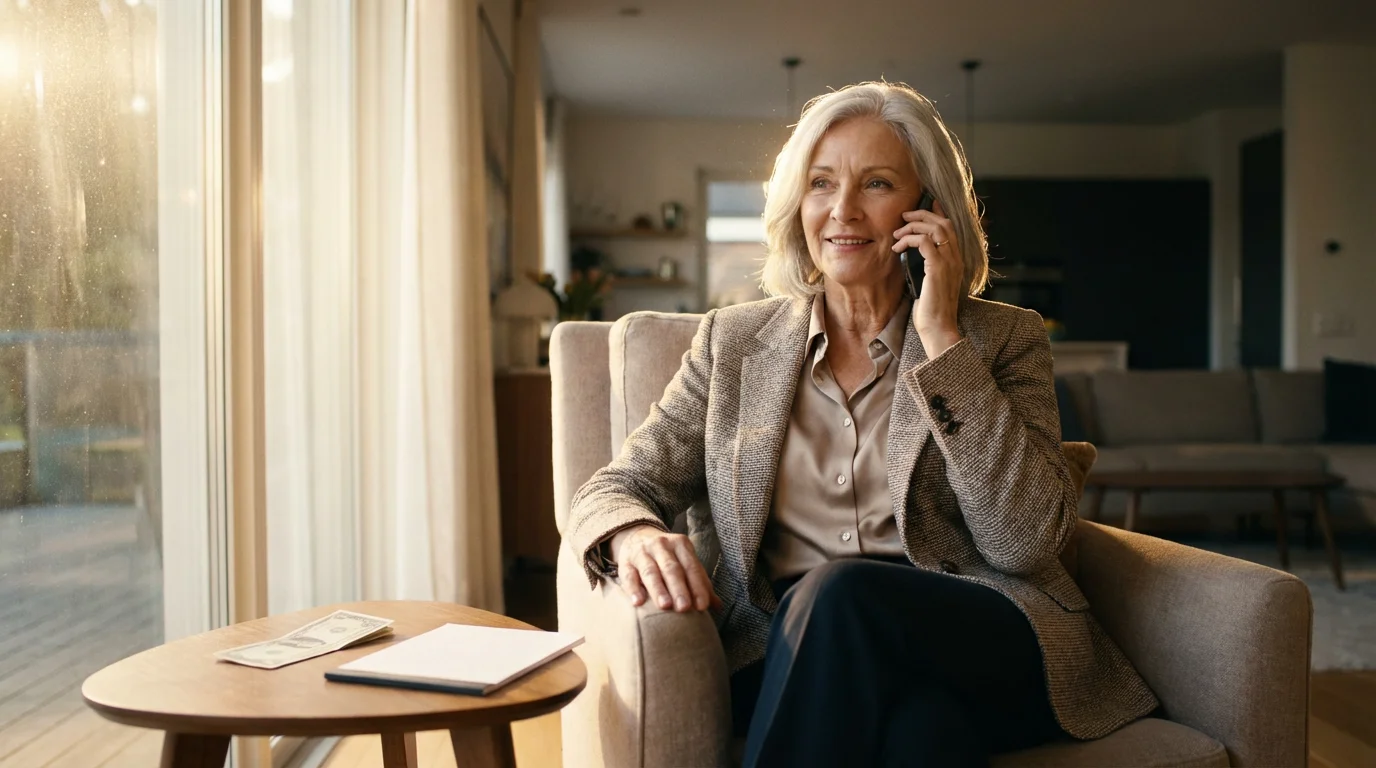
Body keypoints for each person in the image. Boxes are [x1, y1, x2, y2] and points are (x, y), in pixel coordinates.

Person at [564, 81, 1157, 767]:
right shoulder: (732, 347)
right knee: (922, 734)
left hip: (977, 628)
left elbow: (1025, 542)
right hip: (794, 647)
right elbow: (613, 486)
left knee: (841, 592)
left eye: (875, 183)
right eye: (821, 183)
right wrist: (633, 532)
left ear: (927, 210)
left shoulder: (1004, 339)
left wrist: (942, 340)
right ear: (797, 203)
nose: (842, 210)